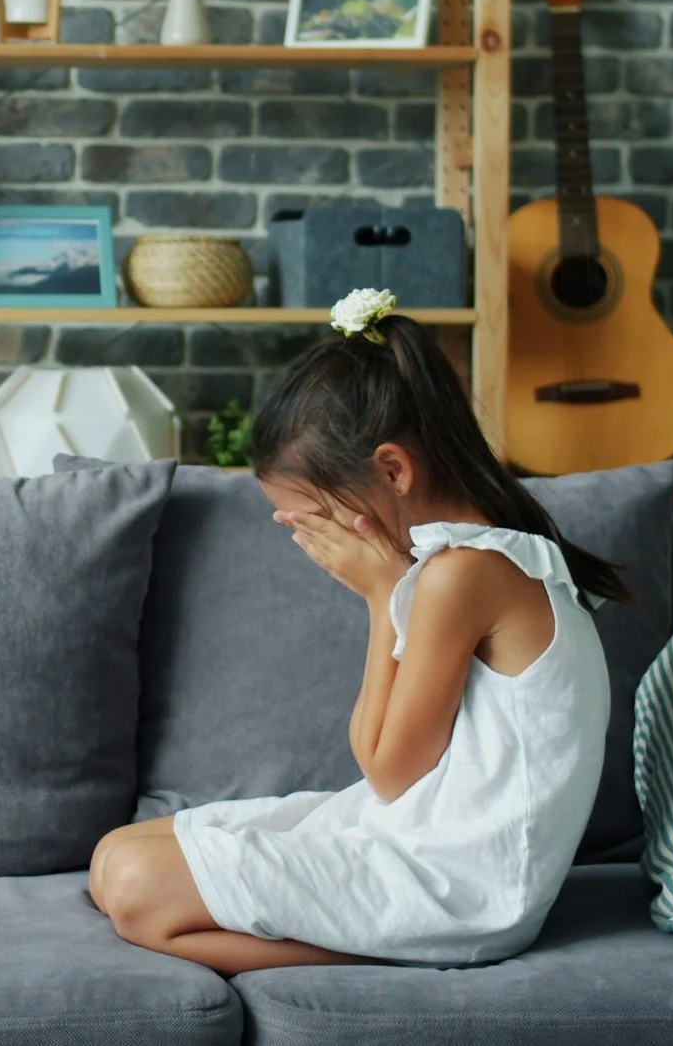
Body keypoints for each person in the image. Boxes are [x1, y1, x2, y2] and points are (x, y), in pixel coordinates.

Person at [86, 288, 621, 972]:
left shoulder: (462, 575)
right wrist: (399, 587)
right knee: (113, 854)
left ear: (393, 470)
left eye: (317, 517)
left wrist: (381, 597)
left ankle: (377, 948)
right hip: (403, 832)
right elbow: (389, 783)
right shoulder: (468, 561)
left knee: (135, 886)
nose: (312, 539)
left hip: (460, 887)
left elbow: (390, 770)